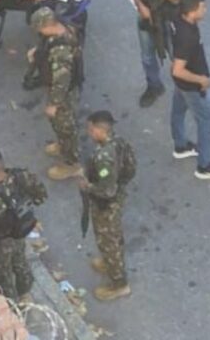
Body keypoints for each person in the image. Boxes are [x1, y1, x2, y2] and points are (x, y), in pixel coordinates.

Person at [0, 148, 48, 303]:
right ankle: (25, 295)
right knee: (20, 263)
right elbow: (41, 194)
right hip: (20, 233)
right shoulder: (21, 177)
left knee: (2, 274)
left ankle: (10, 302)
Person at [169, 0, 210, 181]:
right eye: (202, 7)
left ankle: (181, 145)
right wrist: (201, 80)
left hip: (182, 85)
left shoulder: (178, 20)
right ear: (192, 11)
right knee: (206, 119)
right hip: (191, 86)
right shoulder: (188, 36)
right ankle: (205, 165)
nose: (205, 10)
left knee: (178, 111)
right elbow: (178, 70)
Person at [78, 110, 135, 301]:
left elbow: (107, 190)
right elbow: (130, 166)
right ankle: (109, 262)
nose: (89, 133)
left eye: (90, 129)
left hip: (107, 203)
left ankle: (119, 283)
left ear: (98, 130)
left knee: (108, 240)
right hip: (117, 193)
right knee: (112, 236)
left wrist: (88, 186)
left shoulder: (104, 156)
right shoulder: (119, 142)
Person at [126, 0, 185, 108]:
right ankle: (154, 86)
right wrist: (140, 7)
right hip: (147, 15)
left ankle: (184, 91)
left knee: (177, 56)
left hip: (170, 17)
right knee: (147, 57)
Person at [27, 7, 84, 181]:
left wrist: (54, 103)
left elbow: (62, 79)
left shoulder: (61, 50)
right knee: (61, 126)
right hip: (58, 87)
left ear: (47, 25)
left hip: (63, 94)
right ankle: (62, 144)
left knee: (66, 127)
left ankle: (71, 164)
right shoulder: (62, 29)